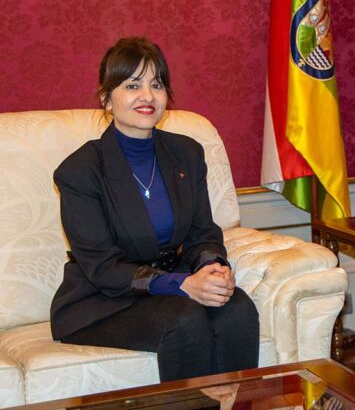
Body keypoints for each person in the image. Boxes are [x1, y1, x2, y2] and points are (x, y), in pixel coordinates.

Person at [50, 37, 260, 381]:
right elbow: (102, 266)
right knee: (185, 320)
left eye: (157, 84)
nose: (147, 96)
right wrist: (182, 285)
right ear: (107, 98)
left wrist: (213, 267)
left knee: (237, 308)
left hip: (173, 282)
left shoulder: (186, 153)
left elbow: (202, 232)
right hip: (104, 298)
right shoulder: (80, 171)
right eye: (133, 85)